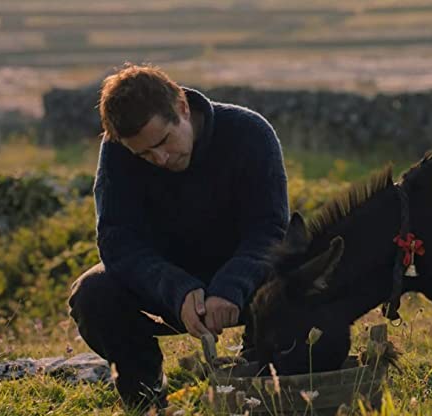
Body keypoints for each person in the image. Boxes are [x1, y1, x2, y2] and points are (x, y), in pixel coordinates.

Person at [67, 63, 289, 411]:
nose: (159, 159)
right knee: (92, 294)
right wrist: (178, 290)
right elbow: (117, 241)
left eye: (163, 141)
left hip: (247, 277)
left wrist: (231, 286)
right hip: (165, 283)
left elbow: (269, 229)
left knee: (303, 273)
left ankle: (262, 367)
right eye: (143, 154)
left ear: (182, 108)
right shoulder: (116, 151)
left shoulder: (250, 133)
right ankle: (145, 389)